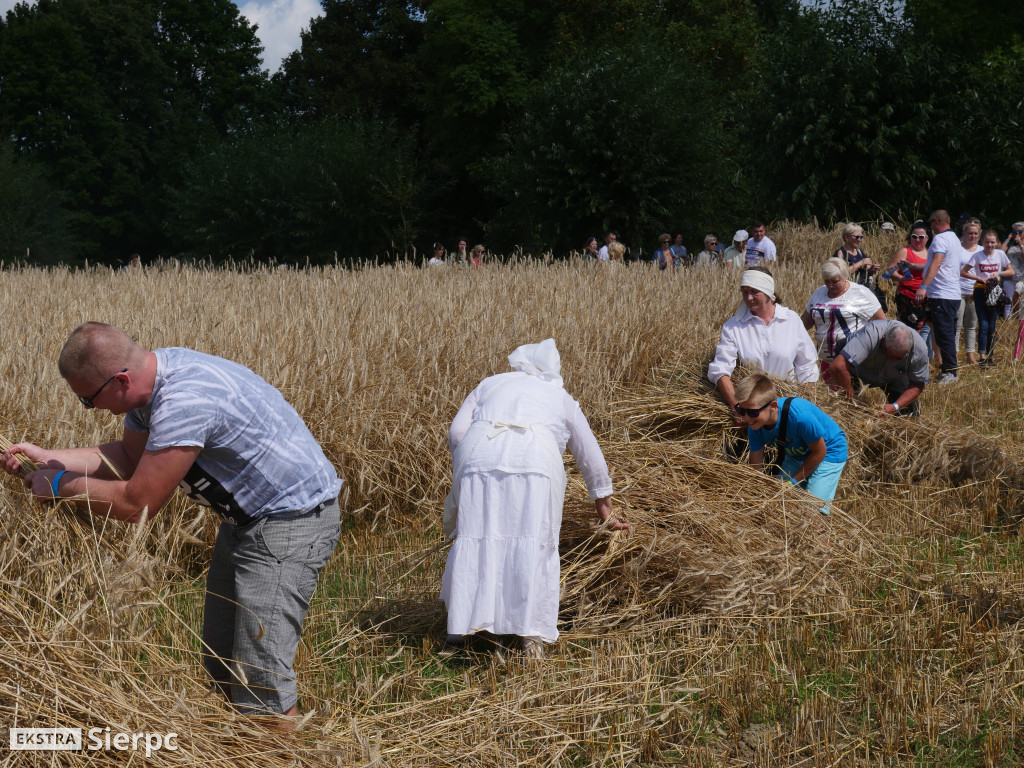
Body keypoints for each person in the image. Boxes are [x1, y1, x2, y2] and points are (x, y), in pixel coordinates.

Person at [0, 323, 343, 723]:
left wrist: (60, 484)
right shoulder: (150, 382)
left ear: (121, 380)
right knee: (221, 658)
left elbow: (138, 504)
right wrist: (49, 458)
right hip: (245, 522)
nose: (92, 410)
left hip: (289, 522)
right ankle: (245, 746)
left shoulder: (185, 400)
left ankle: (280, 752)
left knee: (258, 675)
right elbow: (128, 459)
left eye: (88, 400)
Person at [440, 339, 629, 658]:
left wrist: (471, 464)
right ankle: (531, 641)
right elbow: (590, 456)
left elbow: (458, 432)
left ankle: (458, 633)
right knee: (534, 543)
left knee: (477, 538)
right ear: (551, 369)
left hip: (478, 454)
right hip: (536, 461)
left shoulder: (490, 383)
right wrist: (604, 508)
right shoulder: (560, 395)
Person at [707, 266, 819, 416]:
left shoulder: (790, 320)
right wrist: (738, 407)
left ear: (767, 292)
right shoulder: (734, 326)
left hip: (787, 405)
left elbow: (807, 366)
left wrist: (809, 408)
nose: (749, 298)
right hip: (753, 409)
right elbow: (720, 370)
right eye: (745, 292)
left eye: (754, 291)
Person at [733, 372, 847, 513]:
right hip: (797, 451)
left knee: (811, 511)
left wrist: (792, 483)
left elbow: (820, 452)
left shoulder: (800, 417)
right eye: (741, 410)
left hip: (829, 450)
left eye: (752, 412)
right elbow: (756, 467)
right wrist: (756, 490)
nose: (746, 418)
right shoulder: (755, 425)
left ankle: (820, 531)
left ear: (773, 406)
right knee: (779, 503)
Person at [801, 257, 886, 382]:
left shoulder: (861, 293)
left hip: (851, 361)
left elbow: (883, 324)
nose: (830, 286)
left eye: (835, 282)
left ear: (846, 276)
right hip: (824, 359)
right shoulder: (819, 292)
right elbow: (806, 321)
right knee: (829, 397)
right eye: (827, 281)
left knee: (848, 398)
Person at [827, 319, 930, 416]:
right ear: (883, 339)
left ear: (911, 345)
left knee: (908, 414)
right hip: (856, 367)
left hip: (895, 374)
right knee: (847, 412)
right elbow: (838, 367)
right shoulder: (870, 334)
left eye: (898, 358)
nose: (893, 360)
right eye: (889, 355)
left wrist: (895, 406)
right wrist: (850, 401)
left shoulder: (920, 350)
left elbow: (917, 384)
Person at [916, 210, 962, 383]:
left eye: (931, 224)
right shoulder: (954, 238)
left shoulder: (941, 239)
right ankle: (946, 368)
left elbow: (937, 263)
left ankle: (951, 371)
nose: (931, 228)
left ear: (936, 222)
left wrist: (923, 287)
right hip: (951, 293)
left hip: (942, 294)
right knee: (943, 332)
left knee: (944, 334)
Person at [961, 228, 1014, 366]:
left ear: (997, 242)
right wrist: (979, 277)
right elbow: (963, 272)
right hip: (980, 291)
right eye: (986, 242)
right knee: (983, 324)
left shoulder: (1001, 254)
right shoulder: (977, 256)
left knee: (992, 325)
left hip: (995, 292)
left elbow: (1011, 271)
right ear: (982, 242)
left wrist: (999, 274)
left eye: (992, 242)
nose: (989, 245)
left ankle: (990, 355)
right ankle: (982, 355)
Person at [883, 223, 931, 355]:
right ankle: (911, 355)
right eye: (914, 236)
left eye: (921, 237)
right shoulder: (905, 251)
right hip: (908, 295)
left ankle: (928, 357)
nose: (918, 240)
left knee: (928, 327)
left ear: (927, 238)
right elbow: (890, 272)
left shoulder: (931, 252)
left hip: (928, 295)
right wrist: (902, 278)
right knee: (912, 329)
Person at [956, 218, 982, 364]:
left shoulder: (981, 250)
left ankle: (970, 355)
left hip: (975, 291)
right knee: (957, 324)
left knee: (971, 325)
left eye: (975, 234)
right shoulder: (957, 249)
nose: (972, 236)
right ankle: (954, 355)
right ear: (964, 233)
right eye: (970, 233)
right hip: (958, 290)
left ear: (979, 235)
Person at [1003, 222, 1024, 317]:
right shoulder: (1010, 244)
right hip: (1009, 278)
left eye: (1020, 231)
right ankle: (1008, 323)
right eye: (1015, 231)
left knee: (1020, 302)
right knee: (1008, 302)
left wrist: (1021, 244)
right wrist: (1008, 239)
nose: (1017, 233)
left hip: (1021, 278)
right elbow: (1000, 252)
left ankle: (1020, 321)